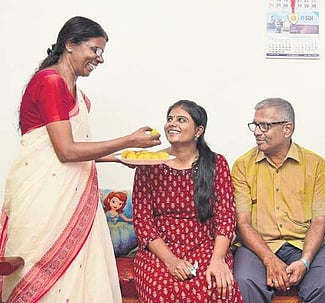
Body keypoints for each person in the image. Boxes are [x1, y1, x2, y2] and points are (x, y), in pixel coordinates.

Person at [0, 16, 161, 303]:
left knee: (78, 276)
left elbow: (75, 151)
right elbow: (66, 151)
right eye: (95, 50)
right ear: (70, 44)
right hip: (45, 199)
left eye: (102, 52)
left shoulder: (76, 93)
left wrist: (121, 157)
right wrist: (128, 139)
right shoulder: (51, 82)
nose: (99, 59)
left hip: (71, 194)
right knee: (44, 273)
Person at [232, 98, 325, 303]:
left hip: (304, 245)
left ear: (287, 129)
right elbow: (243, 223)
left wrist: (305, 261)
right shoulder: (242, 166)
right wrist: (269, 260)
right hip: (258, 248)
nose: (257, 132)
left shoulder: (315, 164)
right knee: (243, 280)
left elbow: (319, 222)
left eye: (264, 125)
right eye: (255, 125)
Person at [132, 100, 243, 303]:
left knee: (214, 286)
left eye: (181, 120)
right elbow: (142, 222)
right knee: (162, 290)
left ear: (198, 130)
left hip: (205, 245)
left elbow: (226, 218)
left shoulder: (216, 163)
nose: (172, 124)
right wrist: (171, 260)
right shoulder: (148, 163)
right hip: (161, 248)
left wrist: (218, 259)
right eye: (169, 119)